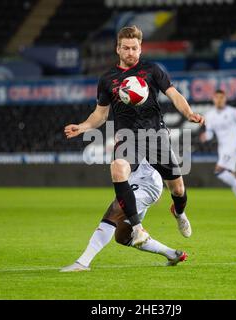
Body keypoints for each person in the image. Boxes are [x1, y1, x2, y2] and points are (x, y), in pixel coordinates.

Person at [65, 25, 204, 246]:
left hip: (156, 136)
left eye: (135, 48)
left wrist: (188, 113)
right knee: (118, 169)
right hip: (127, 138)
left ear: (140, 49)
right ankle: (138, 228)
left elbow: (173, 94)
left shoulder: (152, 70)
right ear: (117, 49)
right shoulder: (108, 79)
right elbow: (100, 114)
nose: (131, 52)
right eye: (126, 48)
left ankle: (179, 213)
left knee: (178, 189)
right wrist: (83, 127)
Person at [60, 158, 188, 272]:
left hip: (146, 181)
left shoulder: (144, 135)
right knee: (123, 236)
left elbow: (161, 156)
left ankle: (82, 262)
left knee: (115, 211)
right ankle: (172, 254)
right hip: (136, 180)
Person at [199, 89, 236, 211]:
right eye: (217, 97)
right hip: (222, 149)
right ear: (213, 99)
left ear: (225, 99)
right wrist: (205, 136)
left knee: (219, 171)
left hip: (234, 146)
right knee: (232, 176)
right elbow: (210, 133)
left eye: (221, 97)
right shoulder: (209, 115)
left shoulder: (233, 112)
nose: (219, 100)